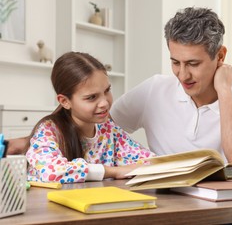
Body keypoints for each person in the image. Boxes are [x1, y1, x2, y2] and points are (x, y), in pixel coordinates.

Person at [110, 7, 232, 168]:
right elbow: (101, 130)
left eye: (193, 64)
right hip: (164, 192)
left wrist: (224, 91)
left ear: (220, 56)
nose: (183, 75)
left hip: (224, 193)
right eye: (176, 62)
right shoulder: (153, 90)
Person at [25, 52, 155, 183]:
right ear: (65, 101)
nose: (104, 103)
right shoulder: (49, 131)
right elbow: (52, 172)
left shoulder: (108, 129)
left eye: (107, 90)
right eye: (91, 97)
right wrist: (113, 171)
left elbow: (148, 161)